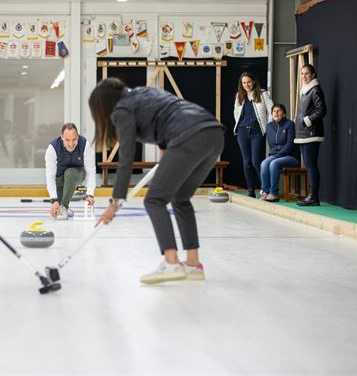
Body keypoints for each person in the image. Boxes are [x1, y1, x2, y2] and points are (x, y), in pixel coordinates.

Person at [89, 78, 224, 284]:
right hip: (213, 134)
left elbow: (125, 159)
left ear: (102, 107)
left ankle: (171, 262)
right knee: (180, 198)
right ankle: (193, 264)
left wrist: (114, 203)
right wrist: (167, 164)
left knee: (154, 200)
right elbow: (164, 130)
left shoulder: (121, 110)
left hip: (188, 136)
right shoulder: (144, 93)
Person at [233, 72, 273, 197]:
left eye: (248, 82)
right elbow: (236, 113)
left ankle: (265, 189)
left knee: (256, 161)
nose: (246, 85)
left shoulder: (263, 94)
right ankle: (250, 190)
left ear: (254, 81)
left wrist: (267, 127)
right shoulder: (239, 95)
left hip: (257, 131)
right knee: (247, 162)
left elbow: (271, 110)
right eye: (244, 83)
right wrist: (240, 127)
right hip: (242, 131)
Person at [45, 123, 96, 220]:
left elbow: (91, 171)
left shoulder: (85, 145)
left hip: (78, 173)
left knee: (70, 173)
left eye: (74, 139)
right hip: (59, 179)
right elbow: (50, 176)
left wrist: (90, 194)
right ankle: (65, 208)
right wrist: (54, 200)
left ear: (78, 136)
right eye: (67, 140)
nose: (71, 144)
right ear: (62, 138)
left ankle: (64, 207)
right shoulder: (52, 148)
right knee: (57, 207)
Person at [294, 64, 327, 206]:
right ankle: (312, 196)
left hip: (312, 133)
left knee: (311, 165)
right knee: (309, 165)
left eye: (306, 73)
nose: (304, 76)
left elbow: (322, 110)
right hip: (303, 134)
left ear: (313, 75)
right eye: (302, 74)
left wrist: (307, 121)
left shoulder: (315, 90)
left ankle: (314, 197)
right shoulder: (305, 91)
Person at [260, 103, 300, 202]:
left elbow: (290, 144)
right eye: (274, 111)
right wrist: (276, 155)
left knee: (274, 163)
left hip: (291, 157)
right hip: (276, 155)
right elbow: (272, 146)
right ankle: (265, 192)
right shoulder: (269, 126)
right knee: (264, 163)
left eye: (279, 111)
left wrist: (278, 155)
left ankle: (274, 193)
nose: (276, 113)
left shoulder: (290, 124)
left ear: (284, 114)